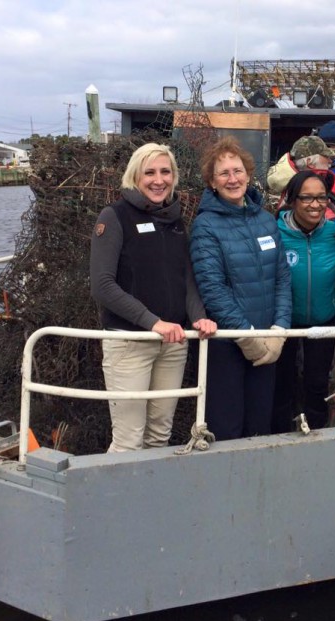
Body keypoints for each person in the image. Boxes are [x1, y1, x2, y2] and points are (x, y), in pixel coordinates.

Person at [90, 143, 217, 453]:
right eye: (150, 172)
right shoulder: (115, 216)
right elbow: (102, 285)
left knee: (160, 435)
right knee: (128, 440)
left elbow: (185, 279)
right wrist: (153, 323)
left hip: (173, 344)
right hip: (130, 343)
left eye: (165, 172)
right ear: (135, 176)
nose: (158, 180)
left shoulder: (174, 221)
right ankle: (117, 500)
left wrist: (198, 315)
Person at [190, 137, 292, 440]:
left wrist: (279, 330)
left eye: (238, 171)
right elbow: (212, 287)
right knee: (227, 428)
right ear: (212, 182)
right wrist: (245, 335)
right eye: (224, 173)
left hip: (267, 345)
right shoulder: (205, 226)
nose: (232, 179)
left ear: (248, 175)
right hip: (228, 345)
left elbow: (282, 278)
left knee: (260, 424)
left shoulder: (265, 220)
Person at [272, 171, 335, 433]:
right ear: (292, 200)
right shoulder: (275, 232)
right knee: (282, 382)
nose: (316, 205)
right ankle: (280, 434)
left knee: (318, 382)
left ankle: (318, 433)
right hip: (283, 322)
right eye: (307, 198)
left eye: (321, 198)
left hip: (323, 320)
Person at [267, 136, 335, 215]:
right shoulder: (300, 188)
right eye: (326, 156)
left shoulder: (287, 185)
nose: (330, 161)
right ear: (309, 163)